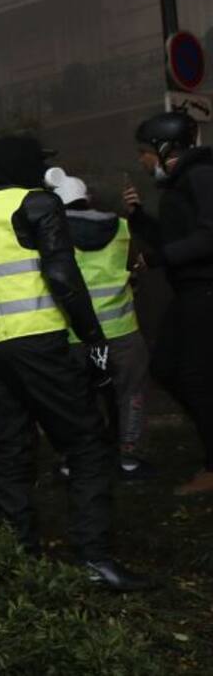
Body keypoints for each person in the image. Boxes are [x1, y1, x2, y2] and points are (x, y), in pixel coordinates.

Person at [0, 135, 148, 591]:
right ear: (24, 166)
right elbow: (62, 274)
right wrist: (93, 338)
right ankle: (94, 559)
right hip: (40, 343)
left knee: (11, 448)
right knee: (87, 443)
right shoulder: (38, 203)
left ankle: (19, 554)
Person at [44, 167, 152, 479]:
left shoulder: (51, 236)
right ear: (87, 199)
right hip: (122, 330)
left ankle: (74, 462)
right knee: (130, 394)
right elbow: (135, 267)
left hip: (74, 334)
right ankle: (129, 460)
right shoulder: (122, 228)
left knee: (76, 399)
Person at [125, 112, 213, 495]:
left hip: (205, 290)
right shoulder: (179, 185)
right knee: (166, 367)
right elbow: (174, 240)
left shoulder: (201, 176)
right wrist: (139, 219)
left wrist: (159, 258)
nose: (142, 160)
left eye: (145, 152)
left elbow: (209, 238)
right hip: (189, 291)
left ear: (165, 149)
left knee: (194, 375)